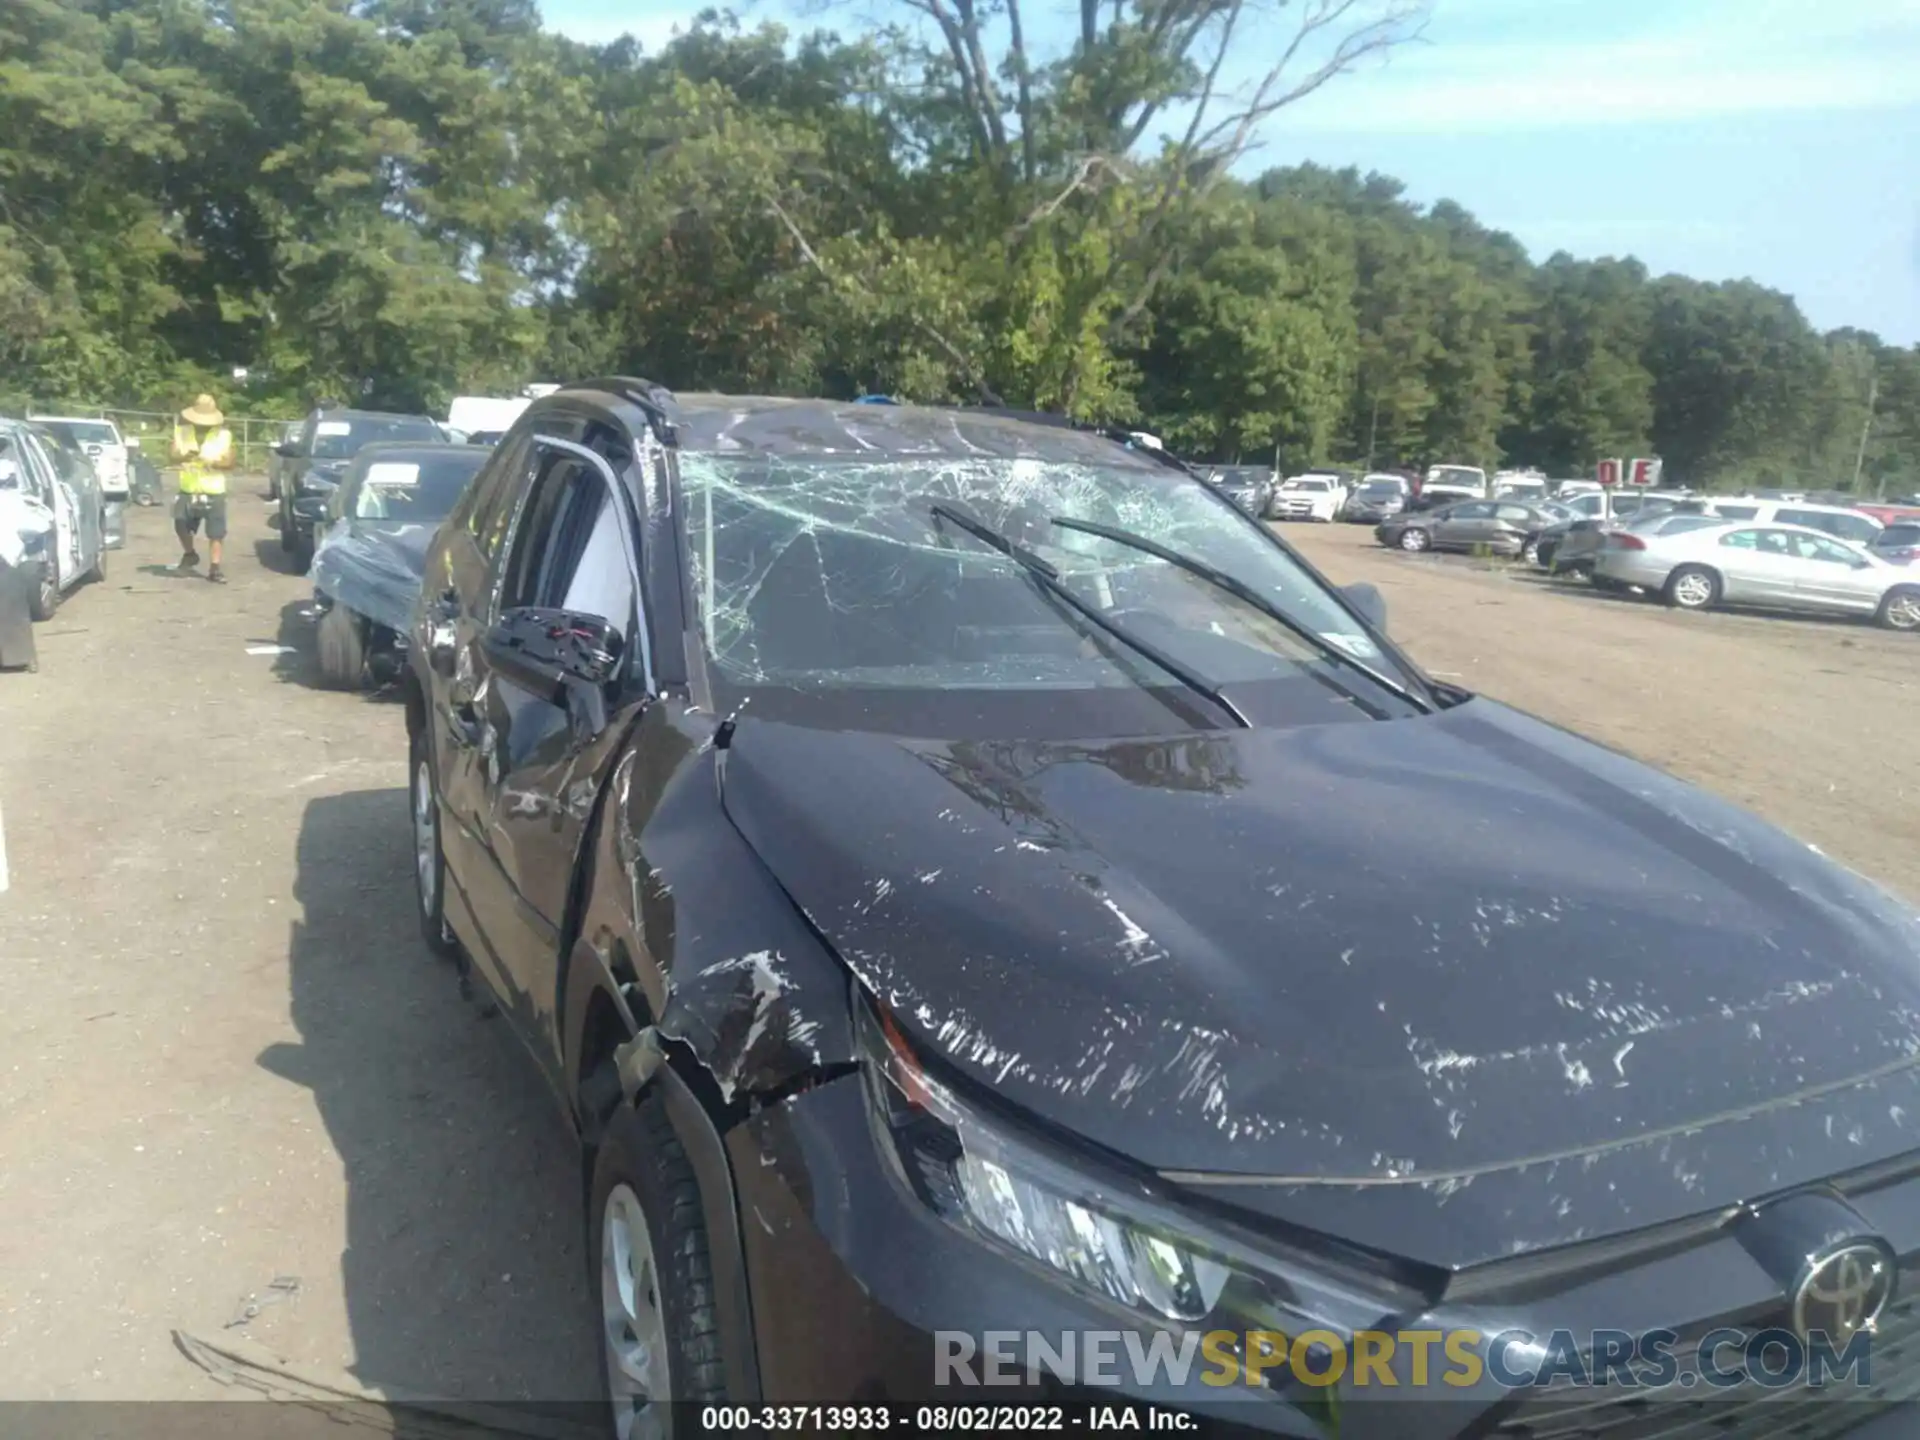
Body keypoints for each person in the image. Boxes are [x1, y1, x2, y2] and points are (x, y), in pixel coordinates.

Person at [171, 393, 236, 582]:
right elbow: (172, 454)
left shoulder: (224, 435)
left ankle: (215, 567)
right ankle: (190, 553)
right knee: (180, 523)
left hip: (213, 488)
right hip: (188, 487)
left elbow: (230, 462)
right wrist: (185, 457)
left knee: (216, 531)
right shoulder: (181, 431)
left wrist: (214, 464)